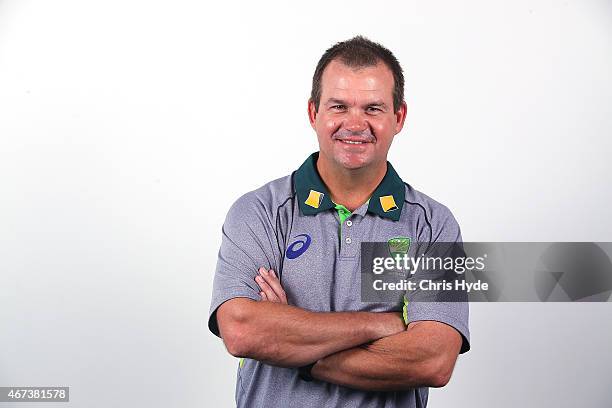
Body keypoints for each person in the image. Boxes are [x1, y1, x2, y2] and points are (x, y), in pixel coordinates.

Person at [208, 35, 470, 407]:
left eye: (373, 108)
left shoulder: (433, 226)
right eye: (339, 106)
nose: (355, 123)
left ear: (399, 117)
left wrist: (294, 343)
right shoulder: (259, 213)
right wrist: (386, 323)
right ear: (314, 113)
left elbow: (434, 360)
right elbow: (242, 331)